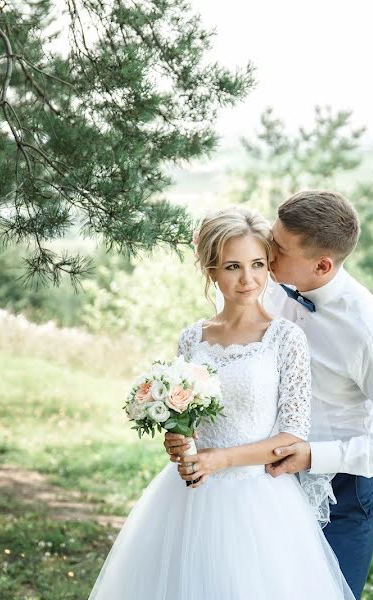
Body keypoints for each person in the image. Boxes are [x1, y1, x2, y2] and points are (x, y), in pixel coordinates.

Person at [166, 190, 373, 599]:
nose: (266, 255)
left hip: (341, 485)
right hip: (259, 479)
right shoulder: (267, 282)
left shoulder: (371, 335)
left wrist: (313, 455)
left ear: (321, 265)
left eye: (278, 250)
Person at [88, 206, 354, 600]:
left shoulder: (285, 338)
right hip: (191, 496)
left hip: (259, 498)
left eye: (258, 264)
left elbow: (291, 434)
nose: (248, 279)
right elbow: (188, 420)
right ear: (211, 270)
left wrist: (220, 460)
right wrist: (178, 439)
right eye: (232, 267)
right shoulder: (193, 338)